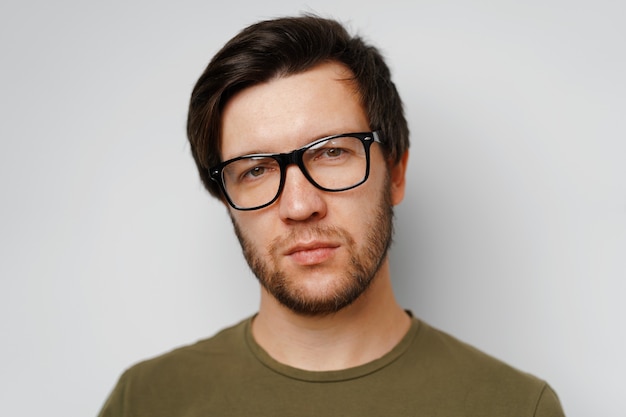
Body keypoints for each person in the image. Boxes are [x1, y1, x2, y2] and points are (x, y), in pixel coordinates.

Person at [98, 14, 565, 416]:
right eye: (256, 170)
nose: (300, 206)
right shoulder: (146, 401)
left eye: (332, 153)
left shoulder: (517, 407)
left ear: (396, 172)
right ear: (225, 199)